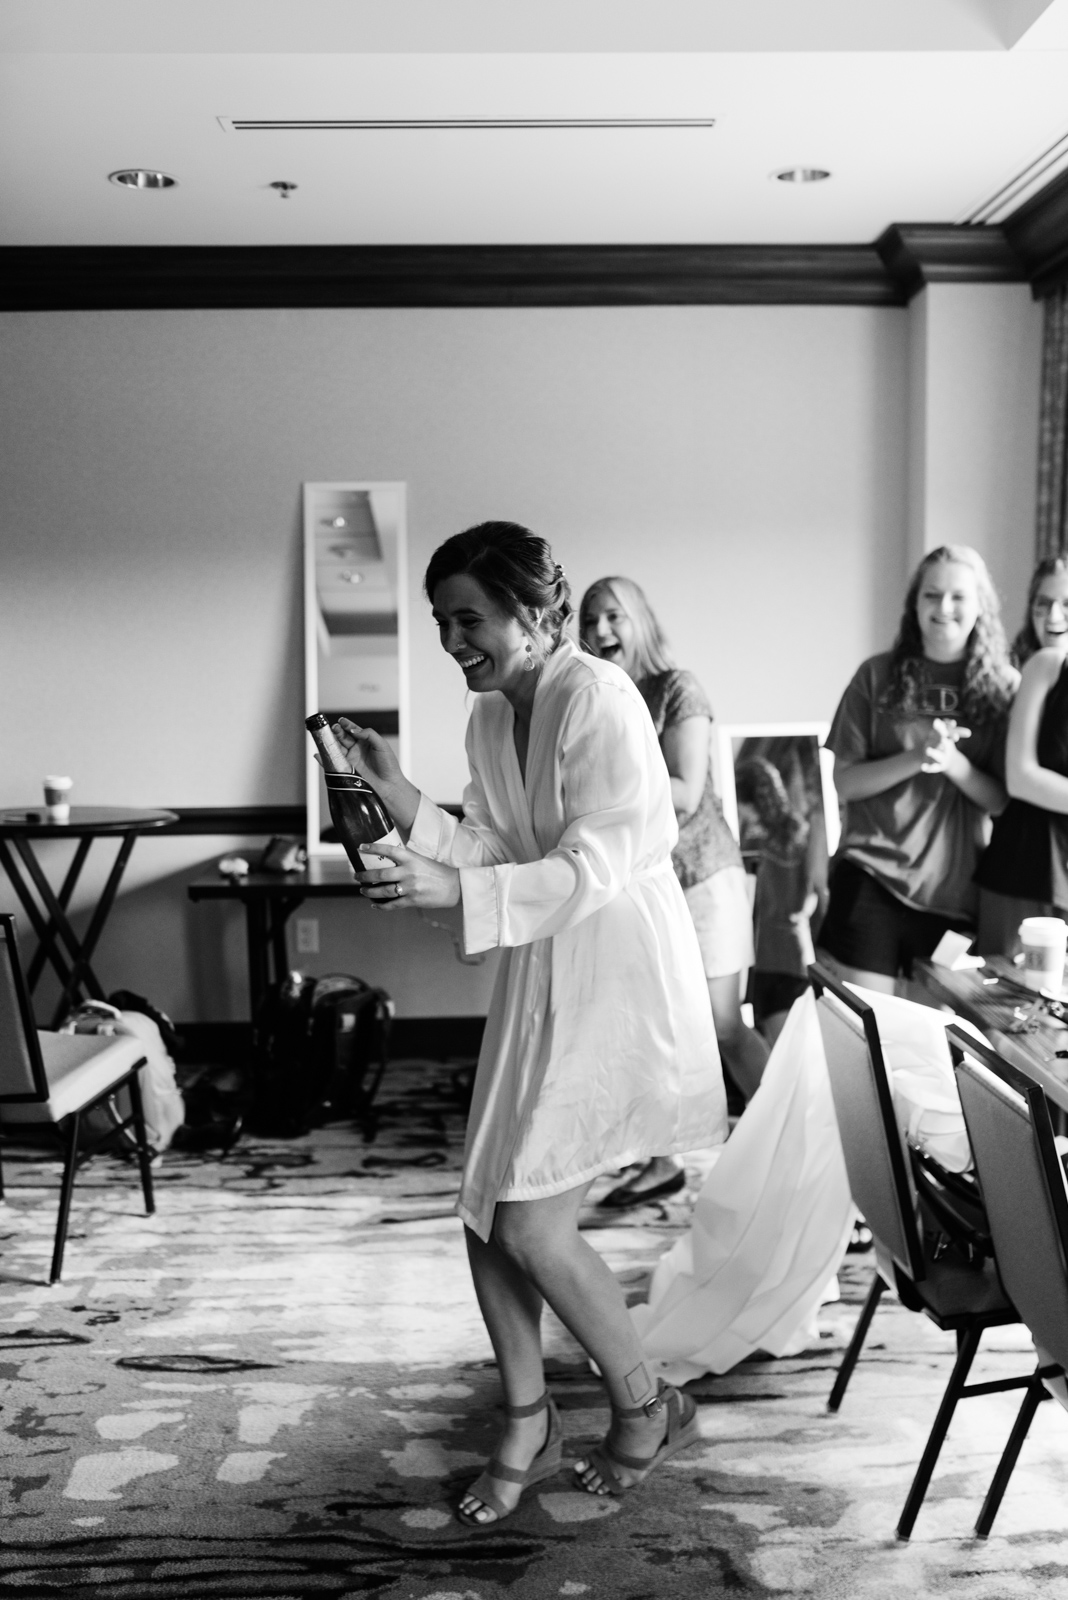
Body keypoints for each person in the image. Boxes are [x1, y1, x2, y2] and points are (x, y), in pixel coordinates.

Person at [330, 523, 727, 1521]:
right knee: (485, 1207)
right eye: (440, 622)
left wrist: (444, 888)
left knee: (533, 1224)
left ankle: (648, 1405)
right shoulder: (489, 715)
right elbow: (497, 842)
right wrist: (400, 796)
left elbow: (598, 863)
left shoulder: (597, 698)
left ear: (531, 612)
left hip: (611, 977)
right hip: (540, 973)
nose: (452, 638)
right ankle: (526, 1414)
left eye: (469, 618)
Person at [579, 576, 768, 1206]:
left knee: (722, 1027)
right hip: (640, 886)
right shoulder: (594, 703)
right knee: (650, 1030)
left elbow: (686, 791)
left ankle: (785, 1141)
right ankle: (662, 1162)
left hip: (703, 877)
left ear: (642, 621)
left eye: (613, 616)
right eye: (589, 619)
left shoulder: (678, 689)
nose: (600, 630)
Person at [817, 545, 1015, 996]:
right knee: (871, 1038)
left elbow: (1004, 801)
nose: (943, 608)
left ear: (980, 605)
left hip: (955, 895)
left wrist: (953, 764)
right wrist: (915, 758)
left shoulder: (1005, 690)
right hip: (871, 879)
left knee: (932, 1048)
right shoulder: (875, 675)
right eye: (931, 595)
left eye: (958, 597)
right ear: (915, 604)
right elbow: (844, 782)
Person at [974, 556, 1068, 952]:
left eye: (1065, 603)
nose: (1053, 616)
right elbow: (1020, 775)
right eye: (1041, 604)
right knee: (1005, 1008)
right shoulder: (1045, 664)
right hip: (1030, 864)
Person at [735, 752, 828, 1045]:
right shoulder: (801, 833)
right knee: (799, 1056)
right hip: (798, 955)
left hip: (763, 958)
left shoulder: (752, 843)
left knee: (778, 1058)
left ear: (747, 801)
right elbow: (815, 894)